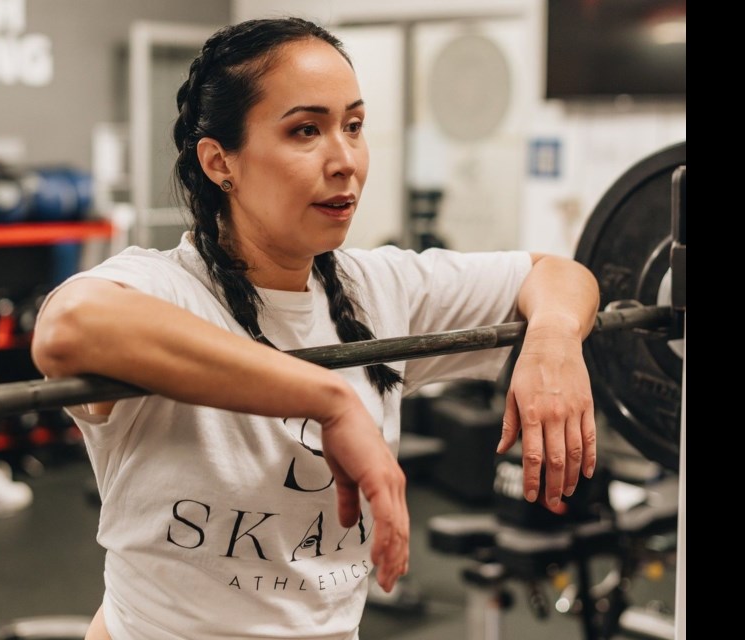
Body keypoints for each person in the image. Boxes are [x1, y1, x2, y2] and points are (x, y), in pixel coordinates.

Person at [32, 17, 600, 640]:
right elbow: (67, 328)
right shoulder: (166, 287)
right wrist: (327, 400)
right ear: (221, 161)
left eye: (353, 127)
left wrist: (553, 337)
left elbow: (558, 273)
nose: (345, 161)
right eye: (306, 130)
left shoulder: (382, 288)